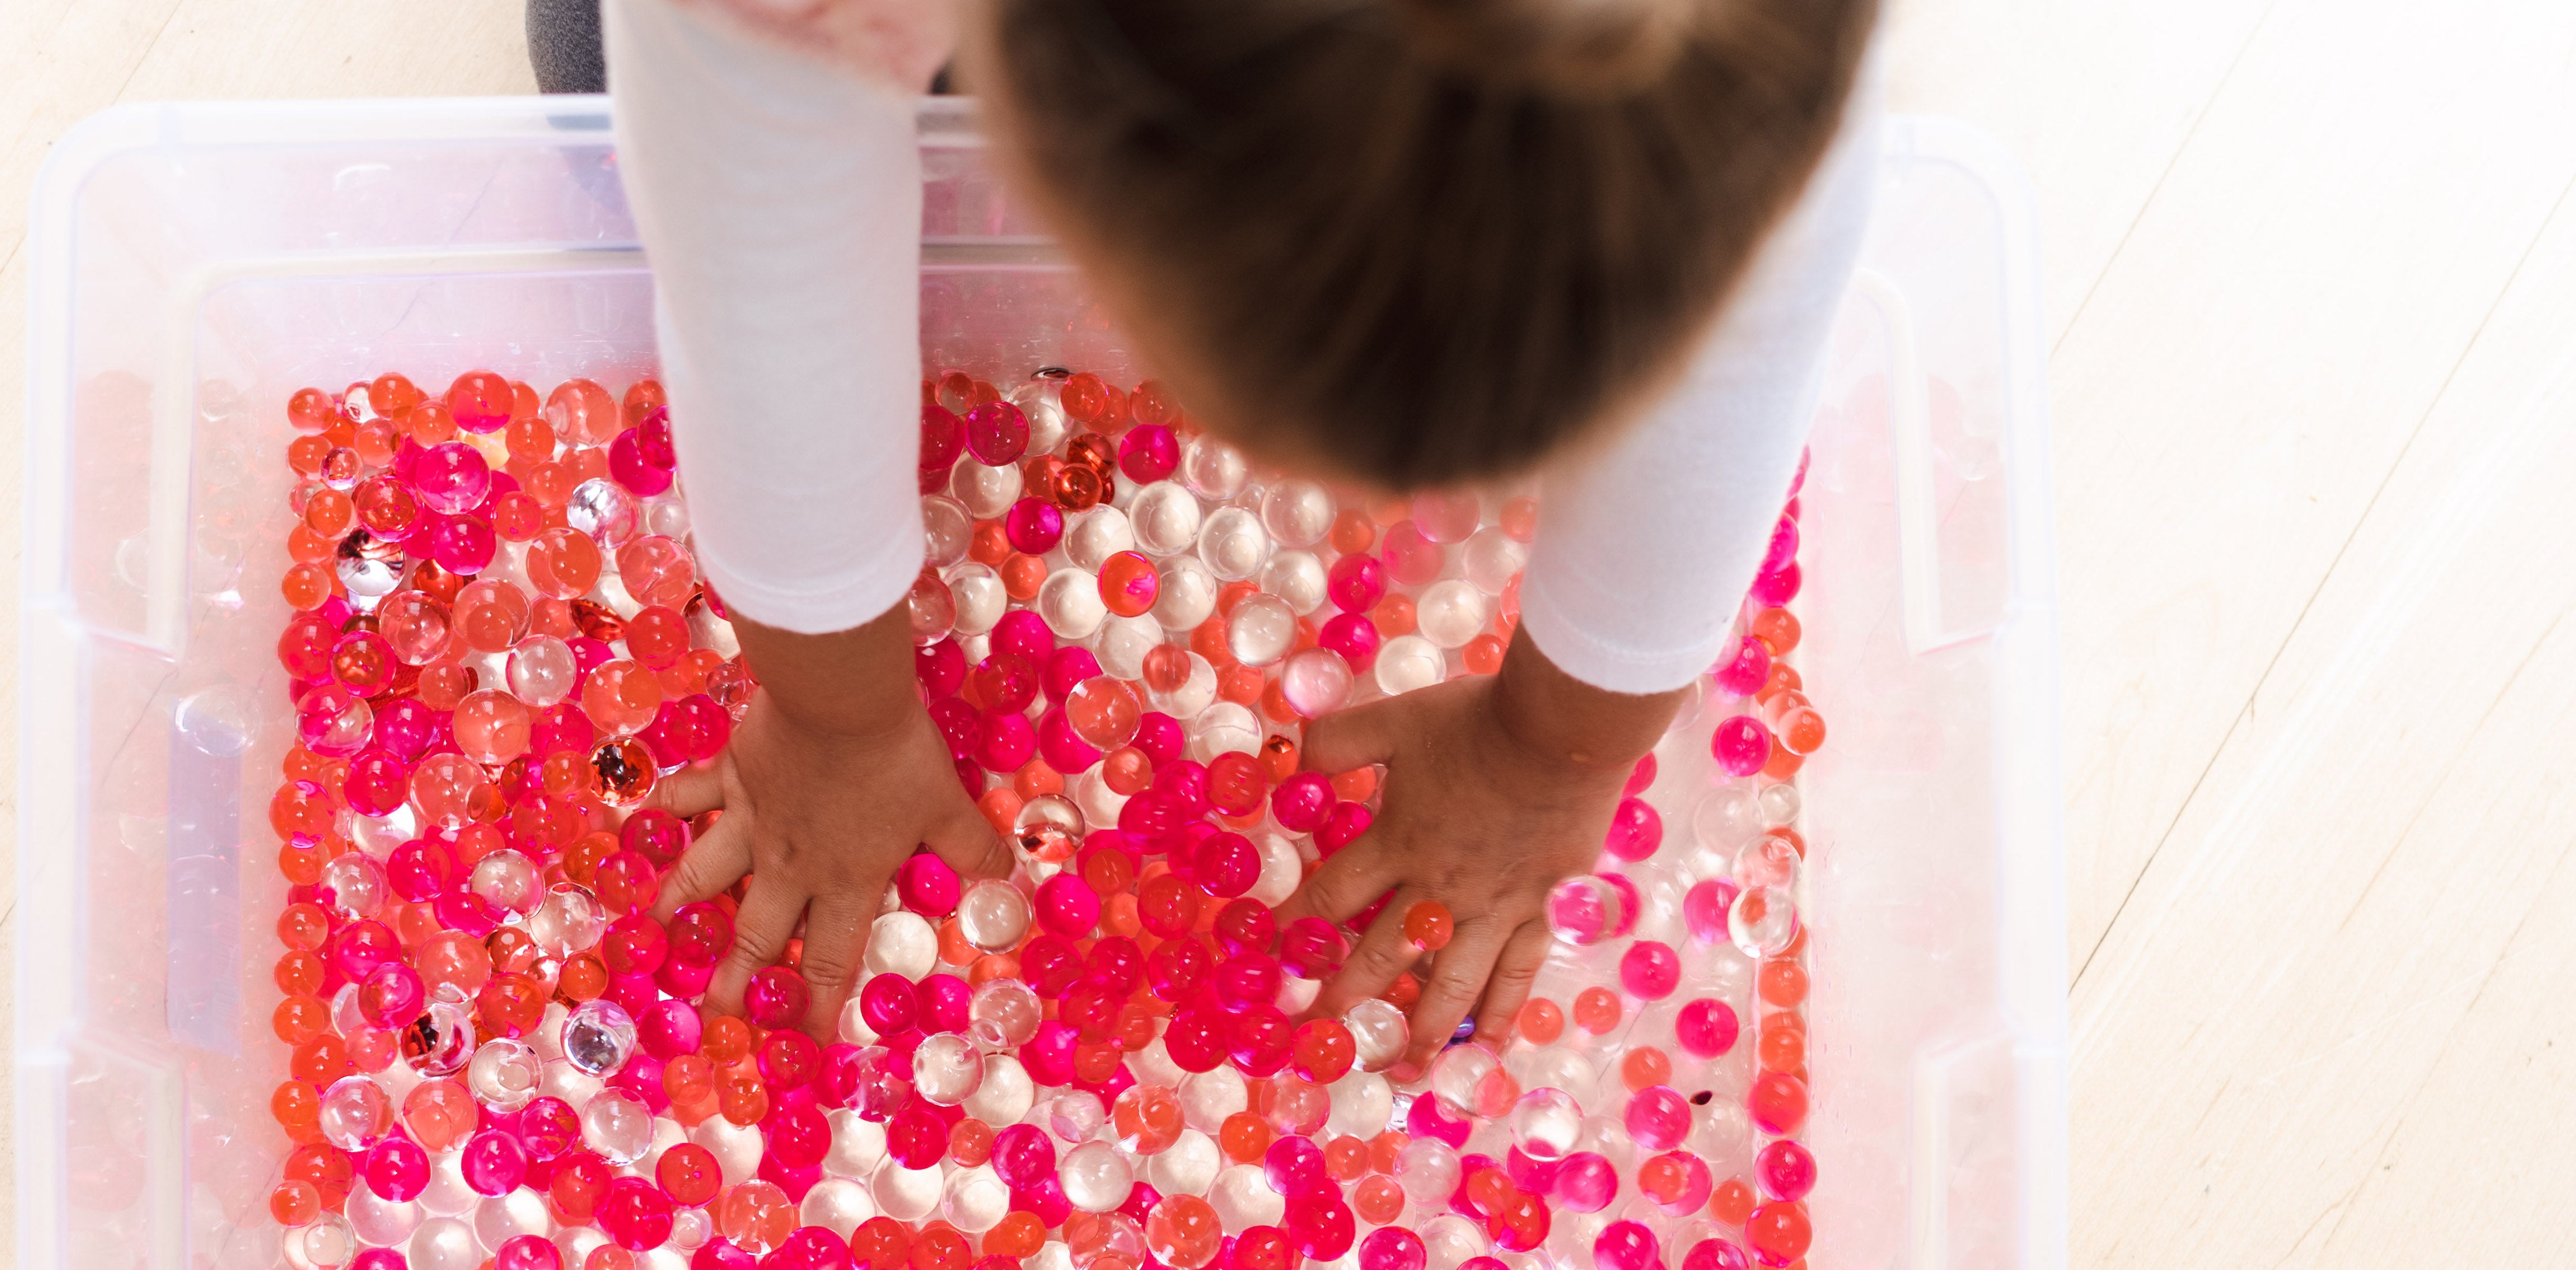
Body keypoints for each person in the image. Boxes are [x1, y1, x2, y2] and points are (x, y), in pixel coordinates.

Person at [593, 0, 1880, 1071]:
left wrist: (1560, 746)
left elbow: (1751, 337)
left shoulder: (1736, 55)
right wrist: (837, 714)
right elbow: (760, 308)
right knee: (614, 82)